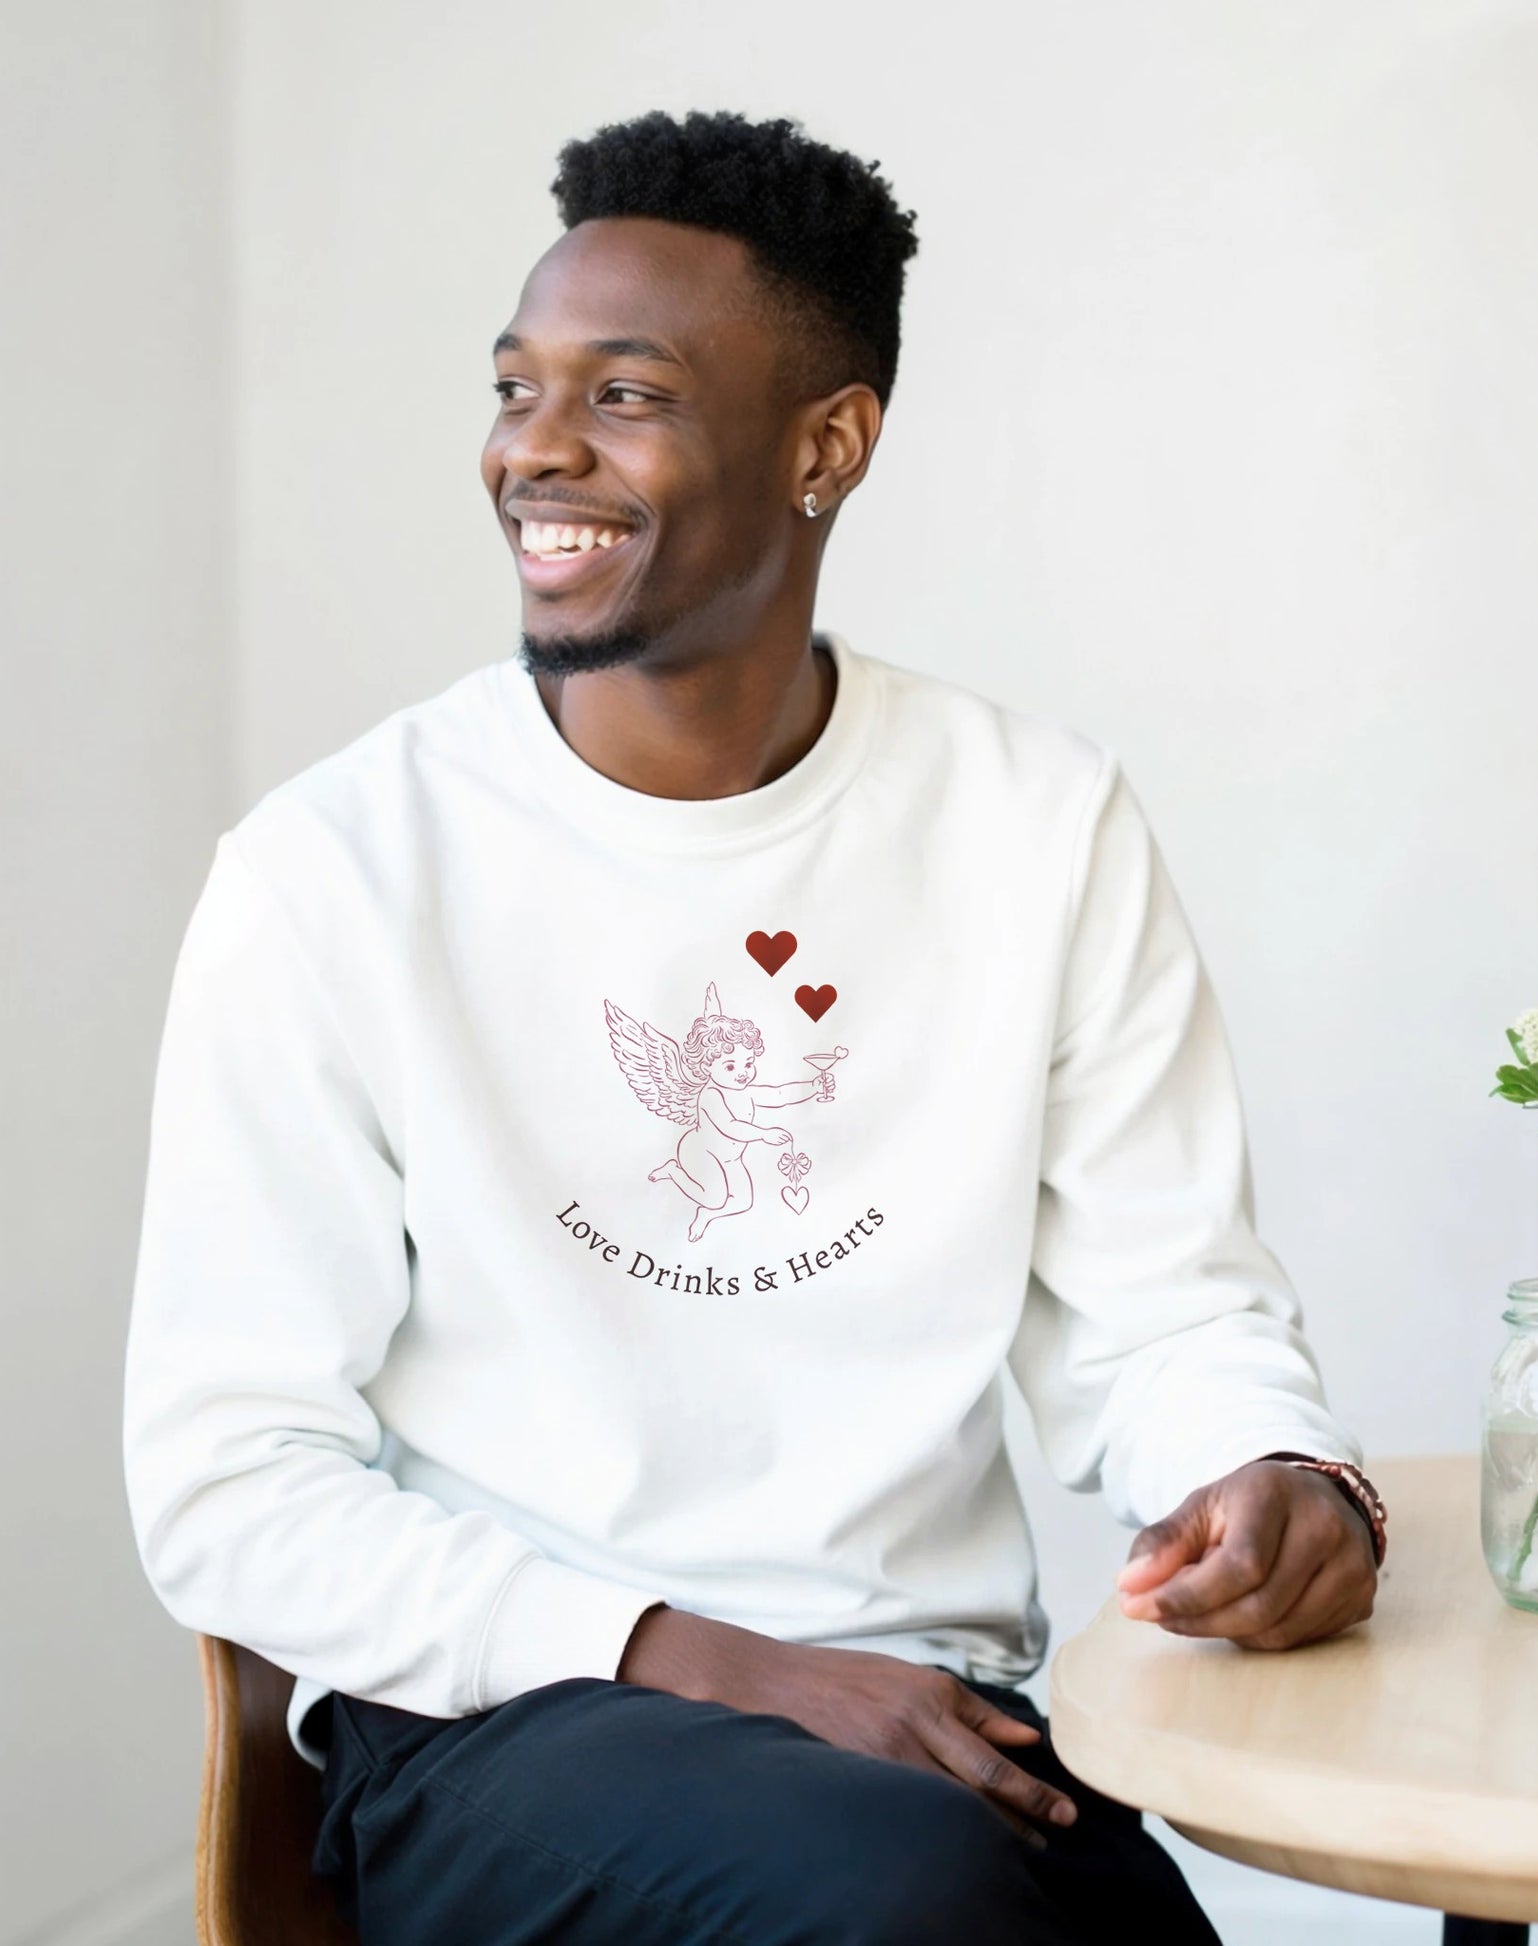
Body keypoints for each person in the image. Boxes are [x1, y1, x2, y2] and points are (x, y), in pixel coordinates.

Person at [122, 107, 1383, 1946]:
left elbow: (1170, 1306)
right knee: (909, 1903)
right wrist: (708, 1662)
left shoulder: (1033, 822)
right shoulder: (332, 871)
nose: (532, 449)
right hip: (500, 1724)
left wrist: (1273, 1472)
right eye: (514, 385)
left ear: (826, 445)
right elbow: (229, 1488)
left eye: (621, 394)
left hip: (929, 1721)